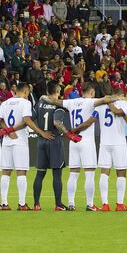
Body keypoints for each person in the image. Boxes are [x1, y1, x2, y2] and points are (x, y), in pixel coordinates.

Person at [0, 83, 53, 210]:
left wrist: (6, 130)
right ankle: (22, 203)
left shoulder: (6, 102)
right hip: (19, 140)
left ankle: (4, 203)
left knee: (6, 172)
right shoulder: (25, 103)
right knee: (21, 172)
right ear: (25, 92)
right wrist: (40, 132)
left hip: (7, 141)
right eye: (28, 93)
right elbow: (27, 120)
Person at [45, 87, 117, 211]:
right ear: (92, 92)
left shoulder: (71, 102)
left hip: (74, 141)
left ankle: (71, 204)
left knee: (73, 174)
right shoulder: (91, 102)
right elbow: (107, 99)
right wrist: (119, 98)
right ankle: (90, 204)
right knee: (89, 173)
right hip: (86, 141)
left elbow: (54, 101)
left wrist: (43, 98)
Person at [95, 92, 127, 212]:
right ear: (121, 94)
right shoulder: (123, 103)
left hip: (104, 142)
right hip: (119, 142)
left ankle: (105, 204)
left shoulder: (101, 104)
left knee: (104, 173)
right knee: (121, 173)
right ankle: (120, 204)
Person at [33, 82, 74, 211]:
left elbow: (29, 118)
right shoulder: (57, 106)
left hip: (41, 141)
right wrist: (67, 133)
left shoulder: (39, 104)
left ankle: (36, 204)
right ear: (57, 91)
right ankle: (58, 204)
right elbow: (57, 122)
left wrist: (40, 132)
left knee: (40, 174)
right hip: (54, 140)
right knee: (57, 174)